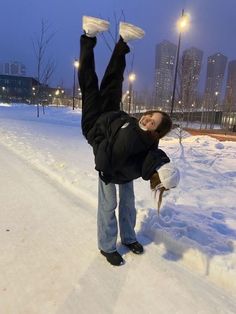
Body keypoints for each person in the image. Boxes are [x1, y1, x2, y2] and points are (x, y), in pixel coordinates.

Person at [78, 16, 180, 266]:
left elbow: (152, 160)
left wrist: (165, 170)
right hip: (104, 134)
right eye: (149, 115)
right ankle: (111, 39)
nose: (146, 119)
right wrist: (102, 150)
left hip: (97, 127)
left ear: (156, 133)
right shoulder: (134, 125)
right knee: (110, 80)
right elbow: (113, 139)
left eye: (152, 122)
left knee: (128, 202)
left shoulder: (148, 144)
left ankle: (129, 237)